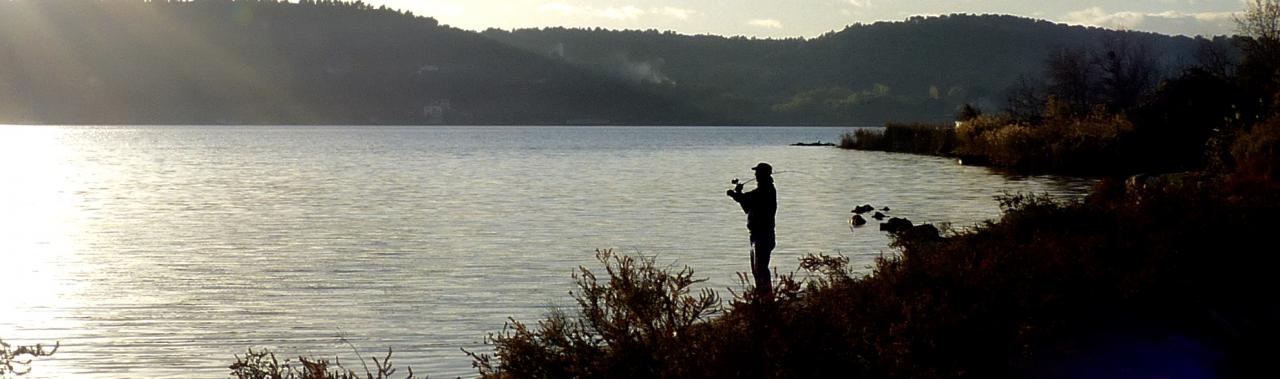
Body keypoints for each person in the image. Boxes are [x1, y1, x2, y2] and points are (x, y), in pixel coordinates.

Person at [726, 162, 777, 295]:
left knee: (760, 268)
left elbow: (747, 199)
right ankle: (763, 296)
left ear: (764, 174)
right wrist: (738, 194)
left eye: (757, 172)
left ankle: (766, 298)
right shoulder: (765, 189)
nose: (755, 174)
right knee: (757, 269)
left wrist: (735, 194)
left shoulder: (765, 190)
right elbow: (747, 207)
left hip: (762, 235)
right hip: (757, 235)